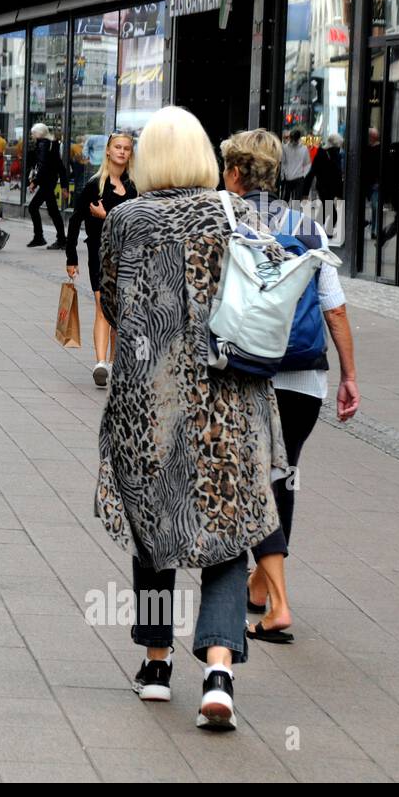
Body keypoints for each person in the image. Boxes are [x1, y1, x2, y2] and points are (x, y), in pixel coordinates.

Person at [97, 106, 289, 732]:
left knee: (153, 528)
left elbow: (110, 298)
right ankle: (218, 672)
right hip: (223, 397)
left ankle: (156, 666)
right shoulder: (234, 214)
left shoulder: (125, 219)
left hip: (147, 399)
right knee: (228, 532)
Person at [220, 129, 361, 641]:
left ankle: (275, 603)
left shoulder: (225, 219)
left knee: (249, 482)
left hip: (245, 374)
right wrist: (348, 375)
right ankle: (261, 589)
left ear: (234, 172)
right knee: (283, 476)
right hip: (305, 377)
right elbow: (335, 305)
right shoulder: (307, 226)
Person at [65, 131, 136, 388]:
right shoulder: (95, 185)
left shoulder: (134, 188)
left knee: (121, 311)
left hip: (128, 256)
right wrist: (70, 258)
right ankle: (101, 363)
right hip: (100, 254)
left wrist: (107, 216)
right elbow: (74, 222)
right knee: (102, 305)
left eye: (127, 148)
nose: (122, 152)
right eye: (117, 147)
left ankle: (117, 364)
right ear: (107, 151)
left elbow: (137, 226)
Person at [26, 123, 66, 249]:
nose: (32, 136)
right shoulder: (52, 144)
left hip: (47, 181)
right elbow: (60, 166)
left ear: (39, 133)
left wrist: (35, 181)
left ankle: (40, 237)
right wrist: (64, 185)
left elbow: (42, 166)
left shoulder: (43, 144)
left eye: (33, 133)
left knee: (33, 207)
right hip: (50, 180)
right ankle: (61, 239)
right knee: (53, 211)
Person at [305, 131, 344, 238]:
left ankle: (314, 230)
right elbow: (313, 171)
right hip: (324, 187)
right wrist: (305, 189)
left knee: (325, 210)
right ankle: (327, 232)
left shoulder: (333, 154)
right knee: (332, 212)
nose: (339, 148)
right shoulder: (325, 153)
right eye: (338, 146)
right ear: (335, 145)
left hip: (328, 188)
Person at [280, 128, 311, 201]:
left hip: (299, 177)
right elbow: (283, 162)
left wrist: (304, 174)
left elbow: (307, 163)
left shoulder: (304, 148)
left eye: (295, 139)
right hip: (288, 178)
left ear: (298, 138)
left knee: (297, 200)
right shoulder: (285, 148)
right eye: (292, 139)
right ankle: (285, 211)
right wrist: (283, 174)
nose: (293, 141)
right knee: (285, 199)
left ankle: (295, 212)